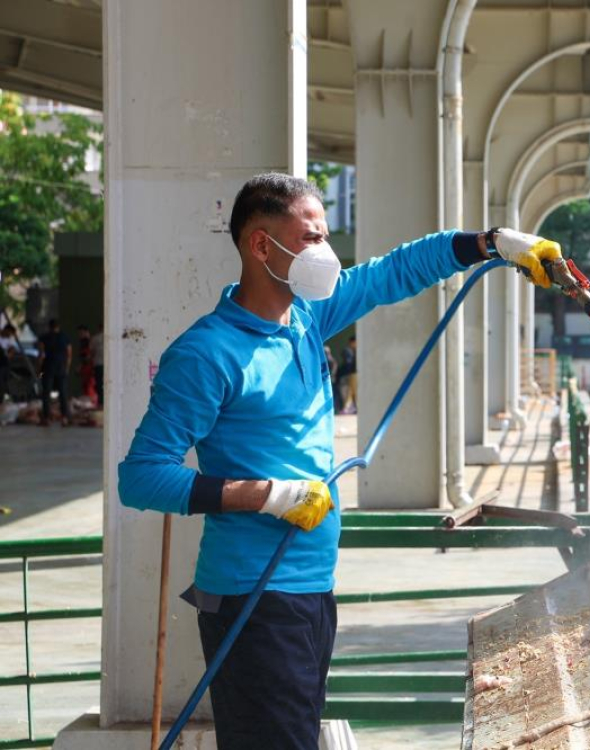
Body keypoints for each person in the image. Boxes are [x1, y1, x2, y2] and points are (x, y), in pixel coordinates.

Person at [116, 173, 559, 750]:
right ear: (260, 245)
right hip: (252, 595)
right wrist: (266, 495)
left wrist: (492, 243)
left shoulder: (306, 319)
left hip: (311, 586)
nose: (324, 252)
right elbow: (141, 476)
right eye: (310, 238)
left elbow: (395, 271)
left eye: (324, 237)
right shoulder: (207, 353)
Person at [37, 319, 72, 426]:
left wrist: (39, 370)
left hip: (48, 368)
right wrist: (67, 368)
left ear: (49, 327)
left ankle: (46, 418)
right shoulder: (65, 337)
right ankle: (64, 418)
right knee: (63, 393)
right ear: (58, 326)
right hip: (61, 368)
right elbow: (69, 354)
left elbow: (41, 355)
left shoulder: (44, 337)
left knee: (46, 393)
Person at [336, 336, 357, 414]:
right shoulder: (349, 350)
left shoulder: (354, 351)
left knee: (351, 392)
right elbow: (348, 363)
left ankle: (349, 408)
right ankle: (348, 408)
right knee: (350, 392)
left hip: (352, 374)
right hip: (351, 374)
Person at [76, 324, 97, 403]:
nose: (79, 335)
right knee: (85, 386)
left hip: (89, 368)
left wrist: (81, 365)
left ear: (86, 332)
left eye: (81, 333)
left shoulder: (90, 342)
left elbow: (90, 355)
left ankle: (92, 403)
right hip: (85, 369)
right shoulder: (83, 342)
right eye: (79, 333)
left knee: (89, 386)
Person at [91, 325, 105, 408]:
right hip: (108, 365)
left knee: (99, 383)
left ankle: (101, 401)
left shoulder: (95, 338)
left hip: (98, 363)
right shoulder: (112, 337)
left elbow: (92, 352)